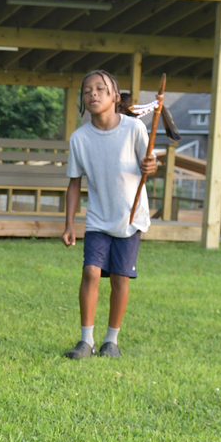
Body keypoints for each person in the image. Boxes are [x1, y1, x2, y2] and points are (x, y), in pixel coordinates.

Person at [61, 70, 158, 359]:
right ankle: (86, 341)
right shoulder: (79, 139)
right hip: (98, 219)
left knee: (119, 277)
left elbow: (149, 165)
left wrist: (152, 168)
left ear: (115, 97)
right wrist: (69, 223)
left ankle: (111, 341)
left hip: (130, 217)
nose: (93, 94)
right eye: (87, 90)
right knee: (90, 271)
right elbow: (74, 184)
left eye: (101, 89)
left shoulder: (134, 129)